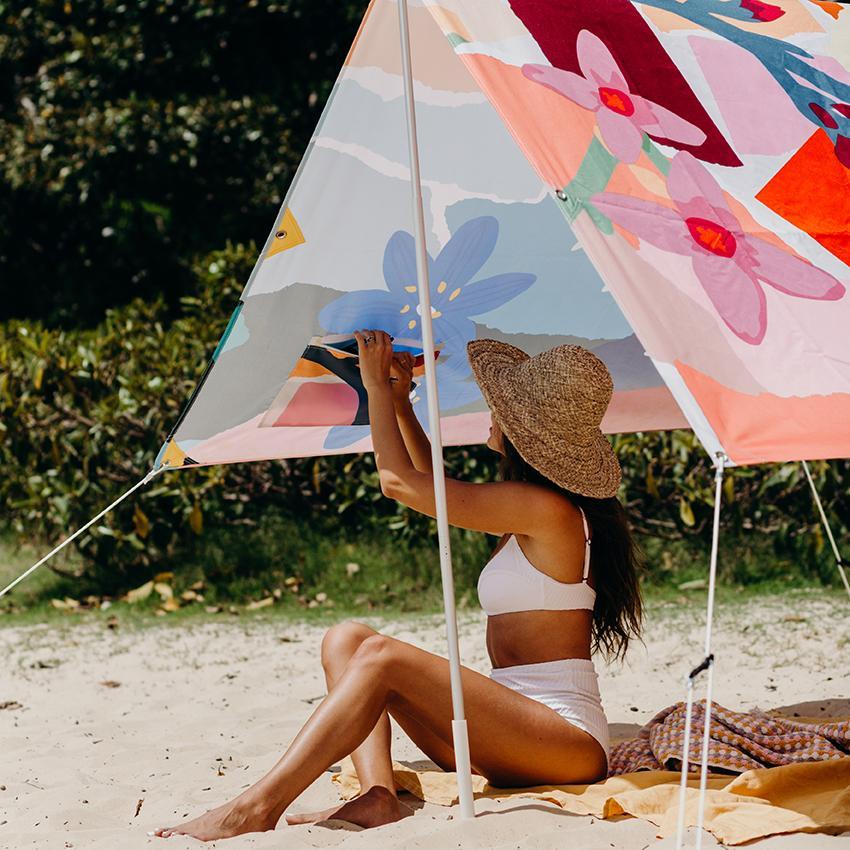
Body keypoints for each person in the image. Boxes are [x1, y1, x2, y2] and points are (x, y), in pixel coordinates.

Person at [153, 330, 643, 841]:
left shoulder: (548, 511)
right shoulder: (528, 505)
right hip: (506, 733)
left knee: (383, 656)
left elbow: (399, 484)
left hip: (563, 741)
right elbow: (428, 481)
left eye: (504, 407)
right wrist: (399, 401)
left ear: (527, 431)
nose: (492, 414)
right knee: (347, 639)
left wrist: (372, 389)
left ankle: (256, 806)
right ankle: (379, 794)